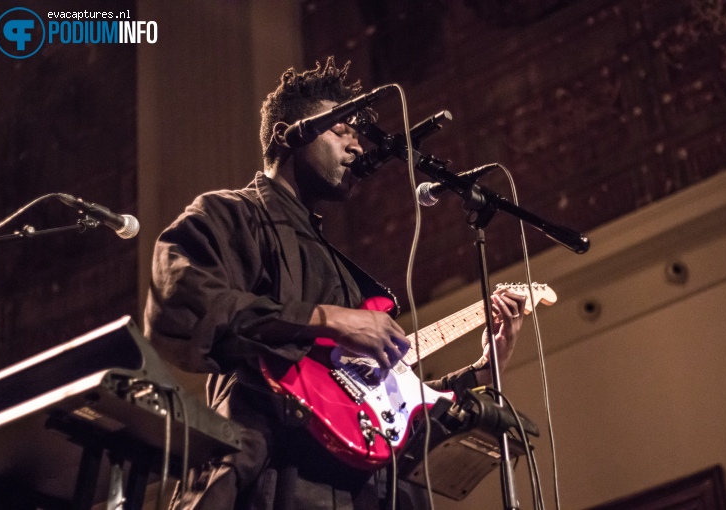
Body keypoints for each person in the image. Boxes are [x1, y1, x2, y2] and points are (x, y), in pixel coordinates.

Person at [144, 57, 527, 510]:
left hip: (369, 492)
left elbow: (374, 398)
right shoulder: (230, 214)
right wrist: (326, 319)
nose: (357, 147)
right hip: (278, 478)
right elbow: (181, 301)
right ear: (290, 133)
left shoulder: (345, 273)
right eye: (341, 130)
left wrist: (481, 372)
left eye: (358, 136)